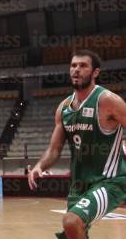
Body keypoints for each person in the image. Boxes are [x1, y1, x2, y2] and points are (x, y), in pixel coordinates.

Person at [28, 50, 126, 239]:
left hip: (110, 181)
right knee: (73, 232)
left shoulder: (108, 101)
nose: (76, 70)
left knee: (72, 220)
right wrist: (40, 166)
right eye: (73, 66)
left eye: (83, 66)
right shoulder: (64, 108)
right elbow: (54, 149)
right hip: (79, 185)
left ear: (95, 72)